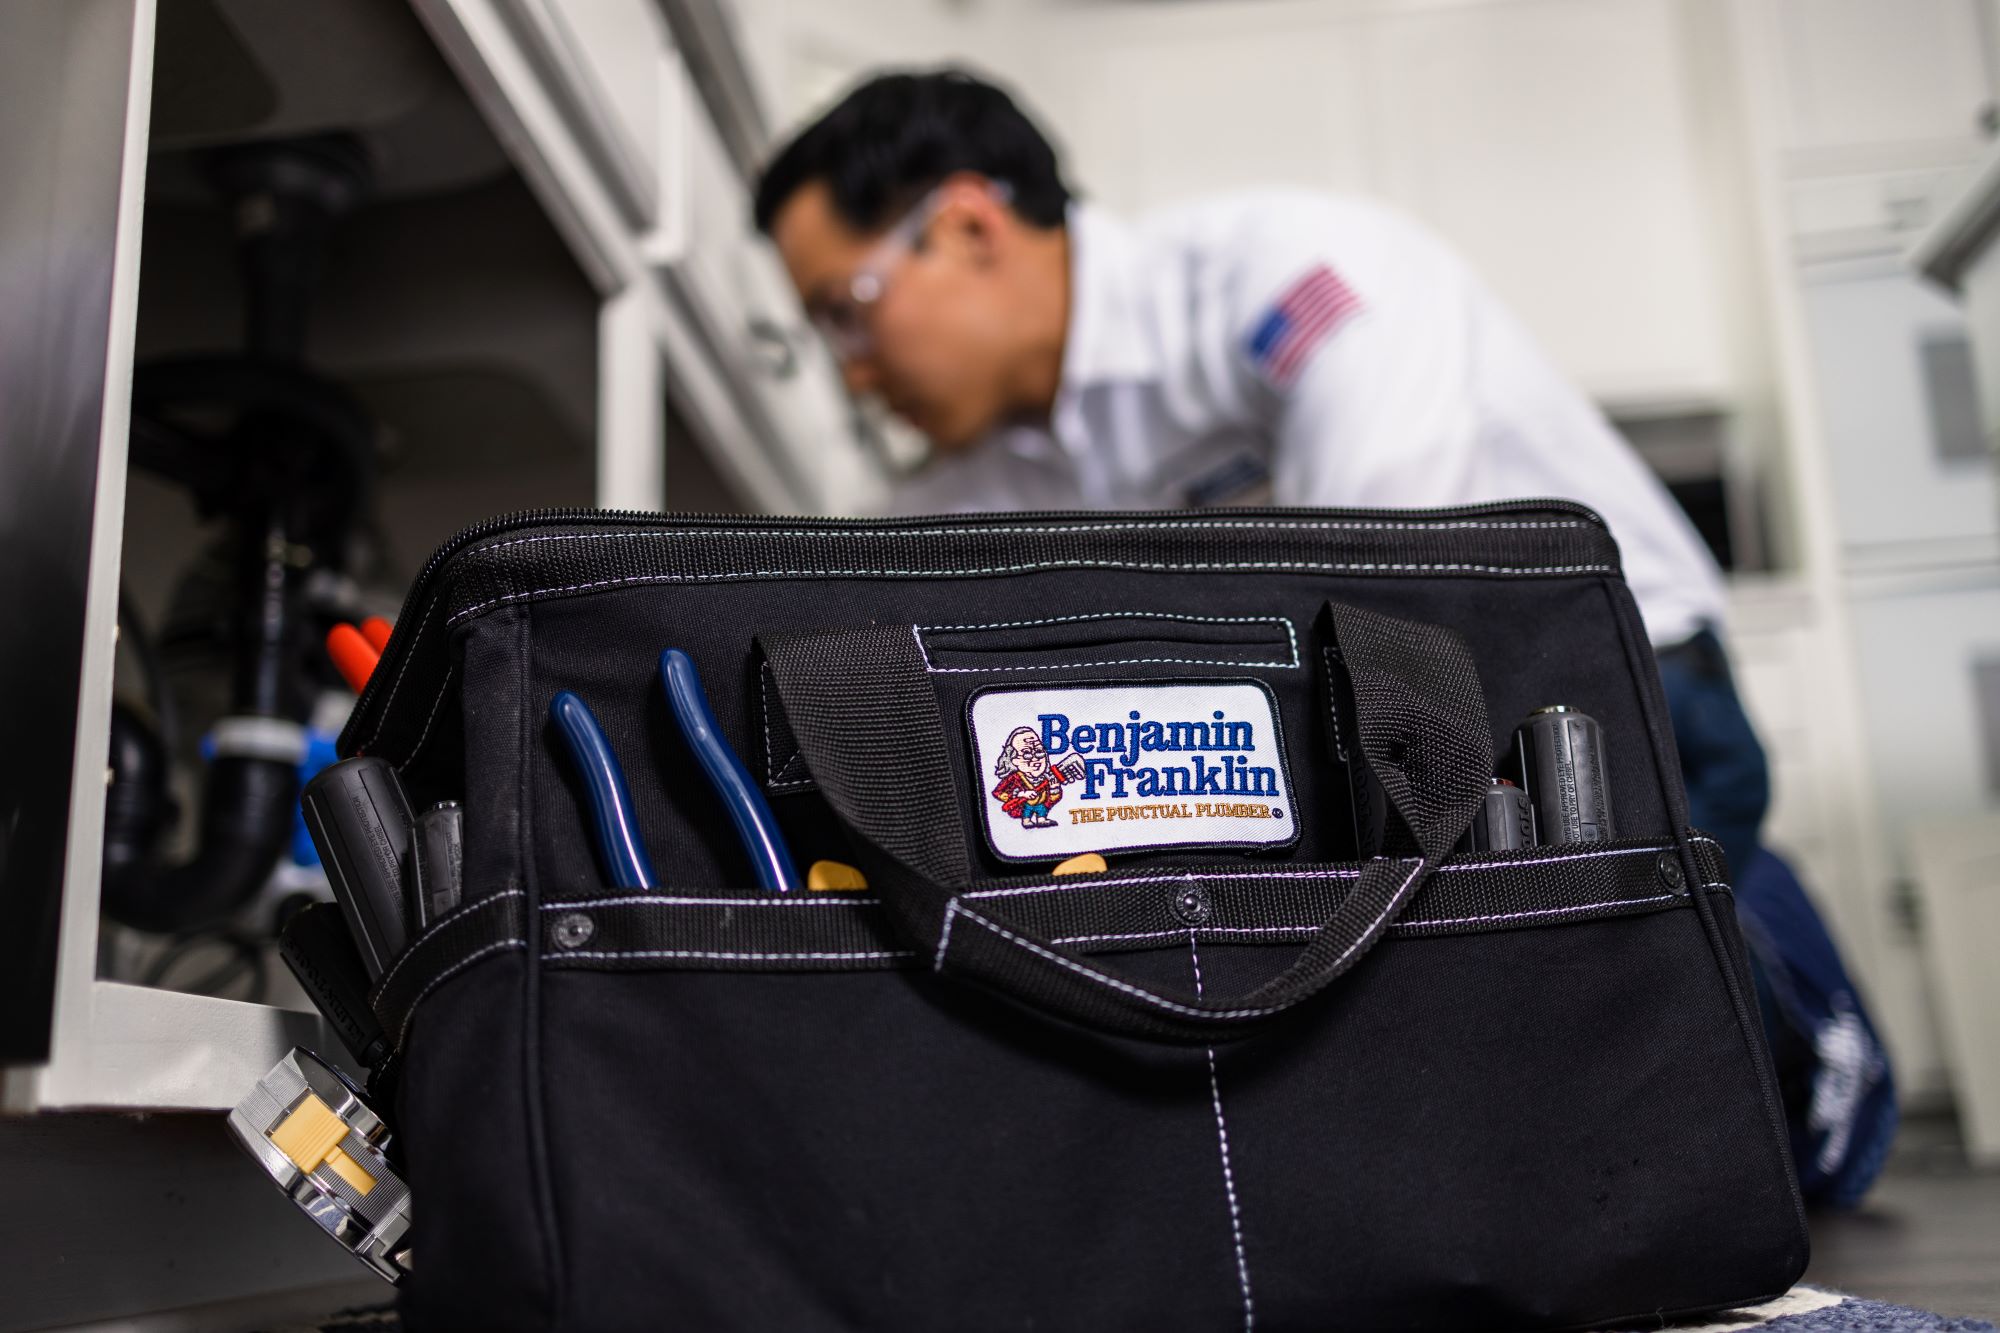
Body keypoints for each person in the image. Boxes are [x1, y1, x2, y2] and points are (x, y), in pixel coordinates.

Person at [754, 69, 1893, 1201]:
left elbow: (1380, 581)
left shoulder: (1291, 274)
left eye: (846, 309)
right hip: (1361, 722)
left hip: (1606, 679)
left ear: (965, 223)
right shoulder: (977, 472)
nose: (851, 371)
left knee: (1724, 1102)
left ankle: (1799, 1000)